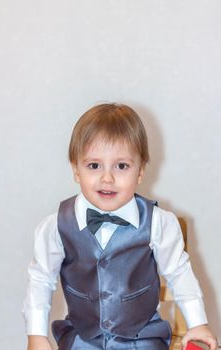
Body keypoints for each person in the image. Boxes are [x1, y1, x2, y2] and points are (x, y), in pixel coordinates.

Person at [23, 103, 218, 350]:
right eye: (94, 165)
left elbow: (179, 273)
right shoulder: (55, 226)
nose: (107, 178)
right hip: (83, 339)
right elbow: (41, 279)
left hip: (143, 339)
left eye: (122, 166)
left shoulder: (159, 222)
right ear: (76, 169)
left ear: (140, 172)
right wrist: (36, 334)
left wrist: (197, 322)